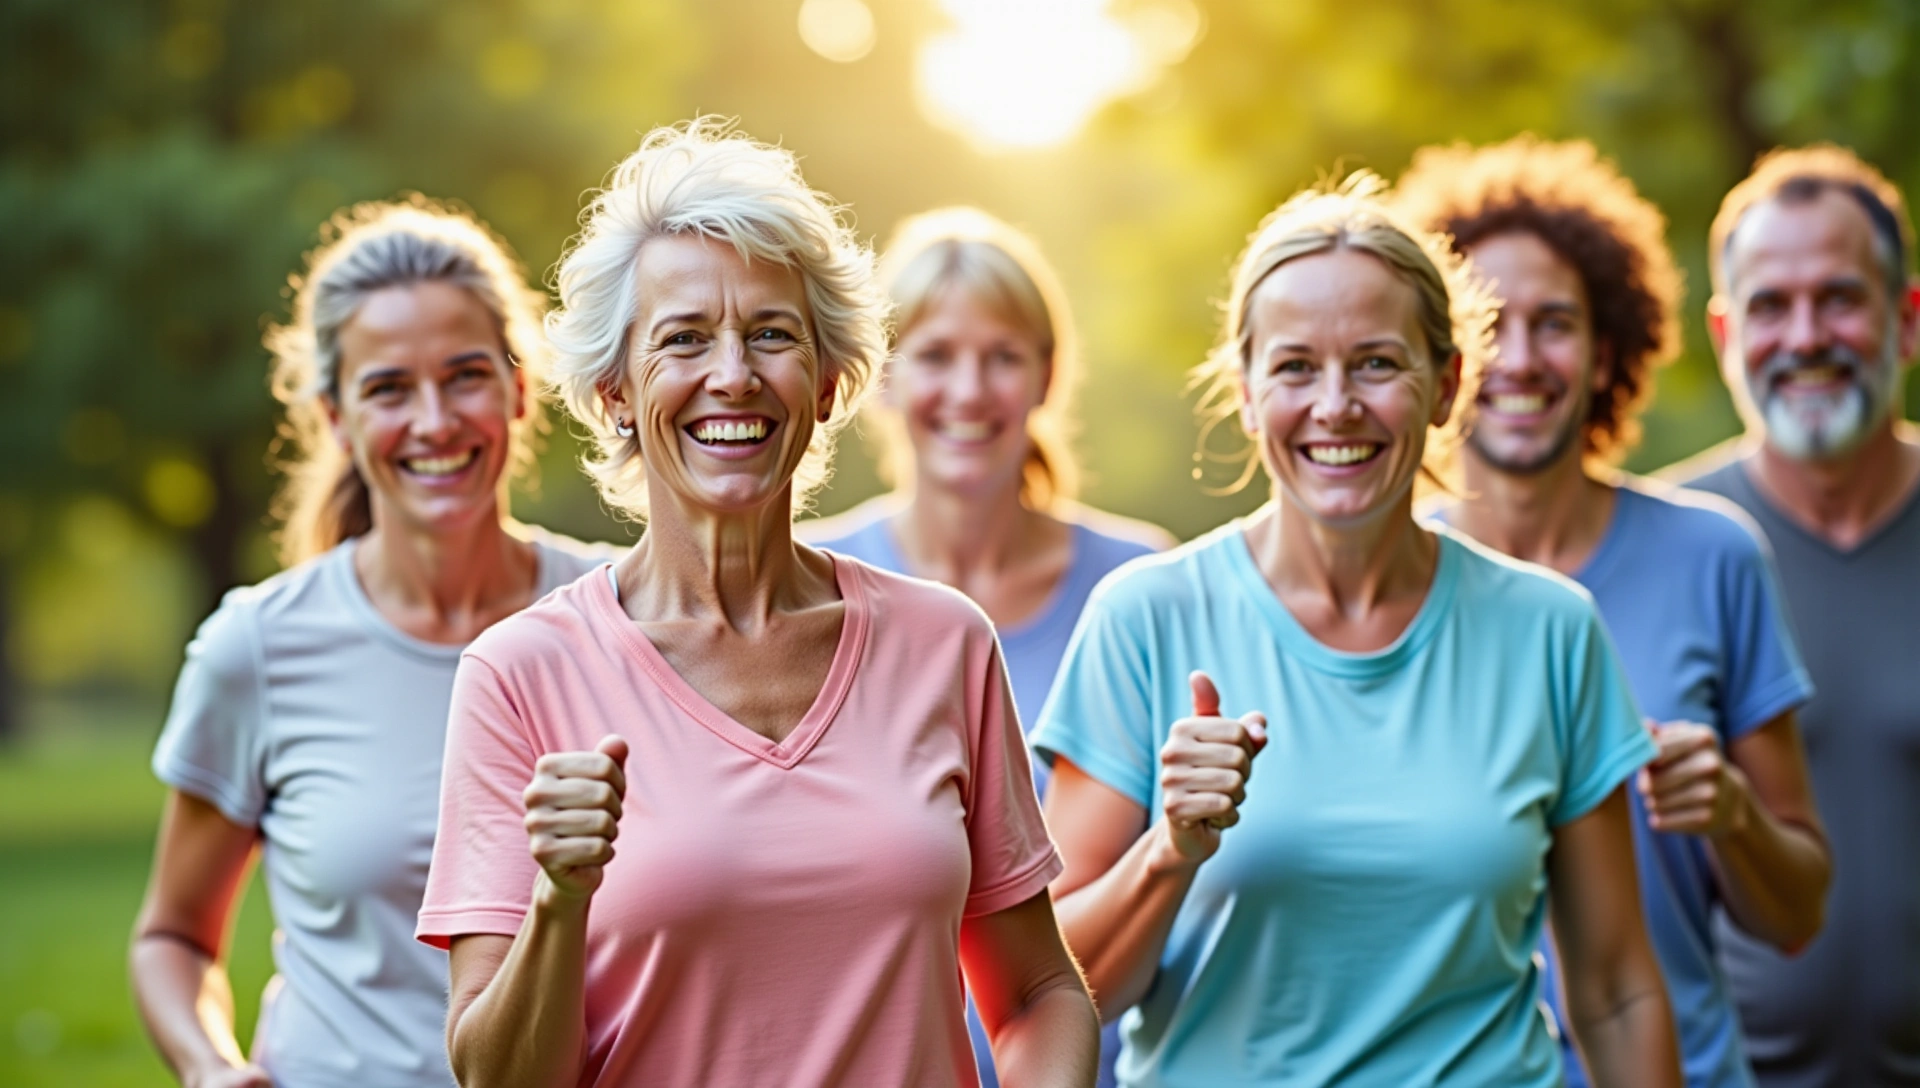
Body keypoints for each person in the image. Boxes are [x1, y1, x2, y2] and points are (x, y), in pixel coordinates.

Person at [415, 121, 1098, 1088]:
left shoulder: (944, 644)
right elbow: (498, 1079)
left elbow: (1035, 995)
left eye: (771, 335)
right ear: (614, 391)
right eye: (684, 339)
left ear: (826, 383)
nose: (732, 374)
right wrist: (560, 901)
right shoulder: (522, 674)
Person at [1030, 173, 1683, 1087]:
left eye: (1376, 362)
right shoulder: (1146, 618)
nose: (1335, 405)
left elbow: (1617, 990)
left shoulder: (1551, 632)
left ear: (1447, 384)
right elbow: (1057, 993)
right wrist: (1168, 850)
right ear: (1249, 394)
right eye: (1296, 366)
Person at [130, 200, 614, 1087]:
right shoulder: (259, 648)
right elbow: (172, 934)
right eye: (389, 388)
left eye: (465, 376)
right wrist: (207, 1064)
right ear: (336, 418)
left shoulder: (626, 611)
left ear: (517, 388)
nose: (433, 421)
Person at [1393, 135, 1829, 1088]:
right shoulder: (1377, 574)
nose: (1521, 357)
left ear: (1605, 351)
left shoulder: (1710, 556)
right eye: (1491, 323)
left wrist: (1734, 814)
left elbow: (1796, 914)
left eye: (1555, 323)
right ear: (1440, 360)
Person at [803, 207, 1171, 1088]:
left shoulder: (1141, 586)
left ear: (1046, 377)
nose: (969, 390)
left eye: (1003, 357)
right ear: (881, 377)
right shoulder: (812, 583)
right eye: (934, 355)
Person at [1669, 144, 1920, 1087]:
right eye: (1771, 306)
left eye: (1840, 299)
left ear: (1908, 320)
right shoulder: (1661, 551)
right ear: (1726, 335)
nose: (1807, 335)